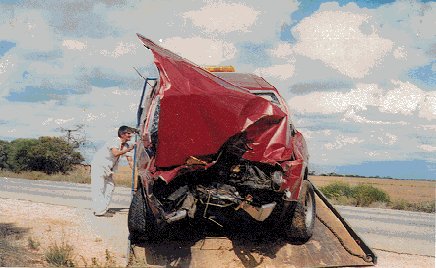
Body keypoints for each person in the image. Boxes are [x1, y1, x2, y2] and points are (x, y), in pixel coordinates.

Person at [91, 125, 136, 216]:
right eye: (128, 133)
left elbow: (130, 161)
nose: (130, 136)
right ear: (122, 134)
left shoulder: (126, 145)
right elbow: (115, 153)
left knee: (110, 187)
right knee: (98, 188)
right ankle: (99, 211)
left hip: (108, 169)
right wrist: (129, 149)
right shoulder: (115, 140)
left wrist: (136, 172)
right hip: (99, 165)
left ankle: (103, 209)